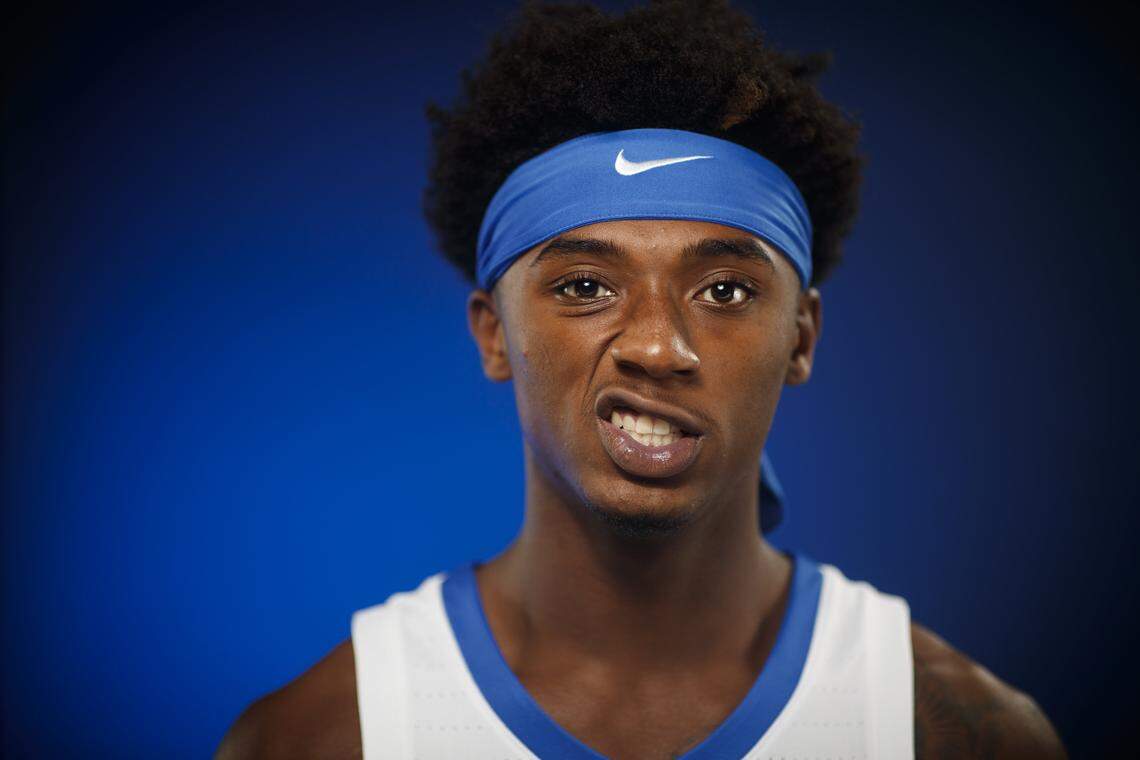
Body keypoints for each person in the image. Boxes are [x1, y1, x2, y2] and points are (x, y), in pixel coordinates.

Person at [216, 1, 1068, 757]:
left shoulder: (952, 730)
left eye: (725, 290)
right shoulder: (328, 735)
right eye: (586, 286)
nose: (659, 348)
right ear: (494, 334)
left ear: (802, 337)